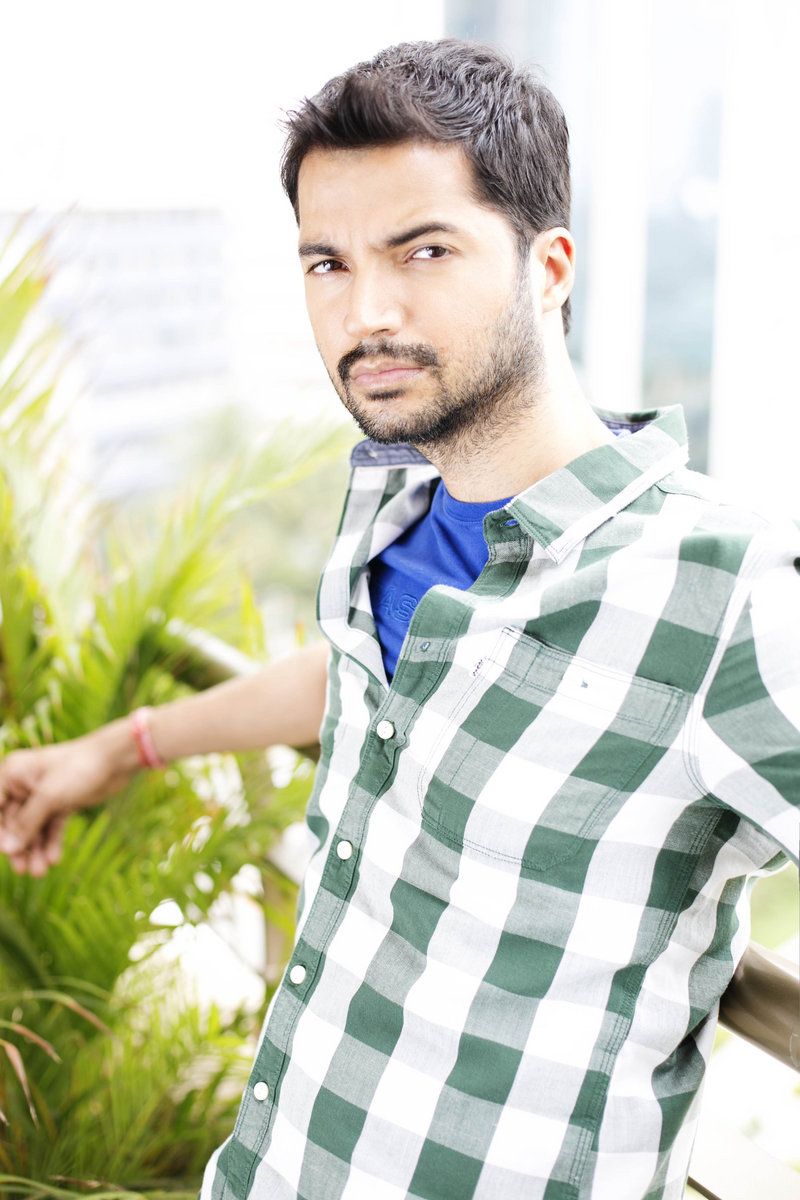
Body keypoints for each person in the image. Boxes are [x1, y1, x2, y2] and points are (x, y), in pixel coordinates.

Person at [0, 38, 798, 1200]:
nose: (365, 311)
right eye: (326, 263)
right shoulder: (395, 503)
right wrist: (121, 749)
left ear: (548, 269)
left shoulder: (722, 590)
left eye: (423, 250)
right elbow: (367, 676)